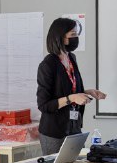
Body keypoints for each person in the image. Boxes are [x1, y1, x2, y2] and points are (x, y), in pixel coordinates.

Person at [37, 18, 106, 154]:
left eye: (76, 34)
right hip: (54, 132)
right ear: (59, 37)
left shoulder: (71, 58)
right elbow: (44, 105)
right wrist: (72, 98)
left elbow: (68, 90)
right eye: (72, 35)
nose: (76, 38)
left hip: (74, 127)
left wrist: (88, 92)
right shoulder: (48, 65)